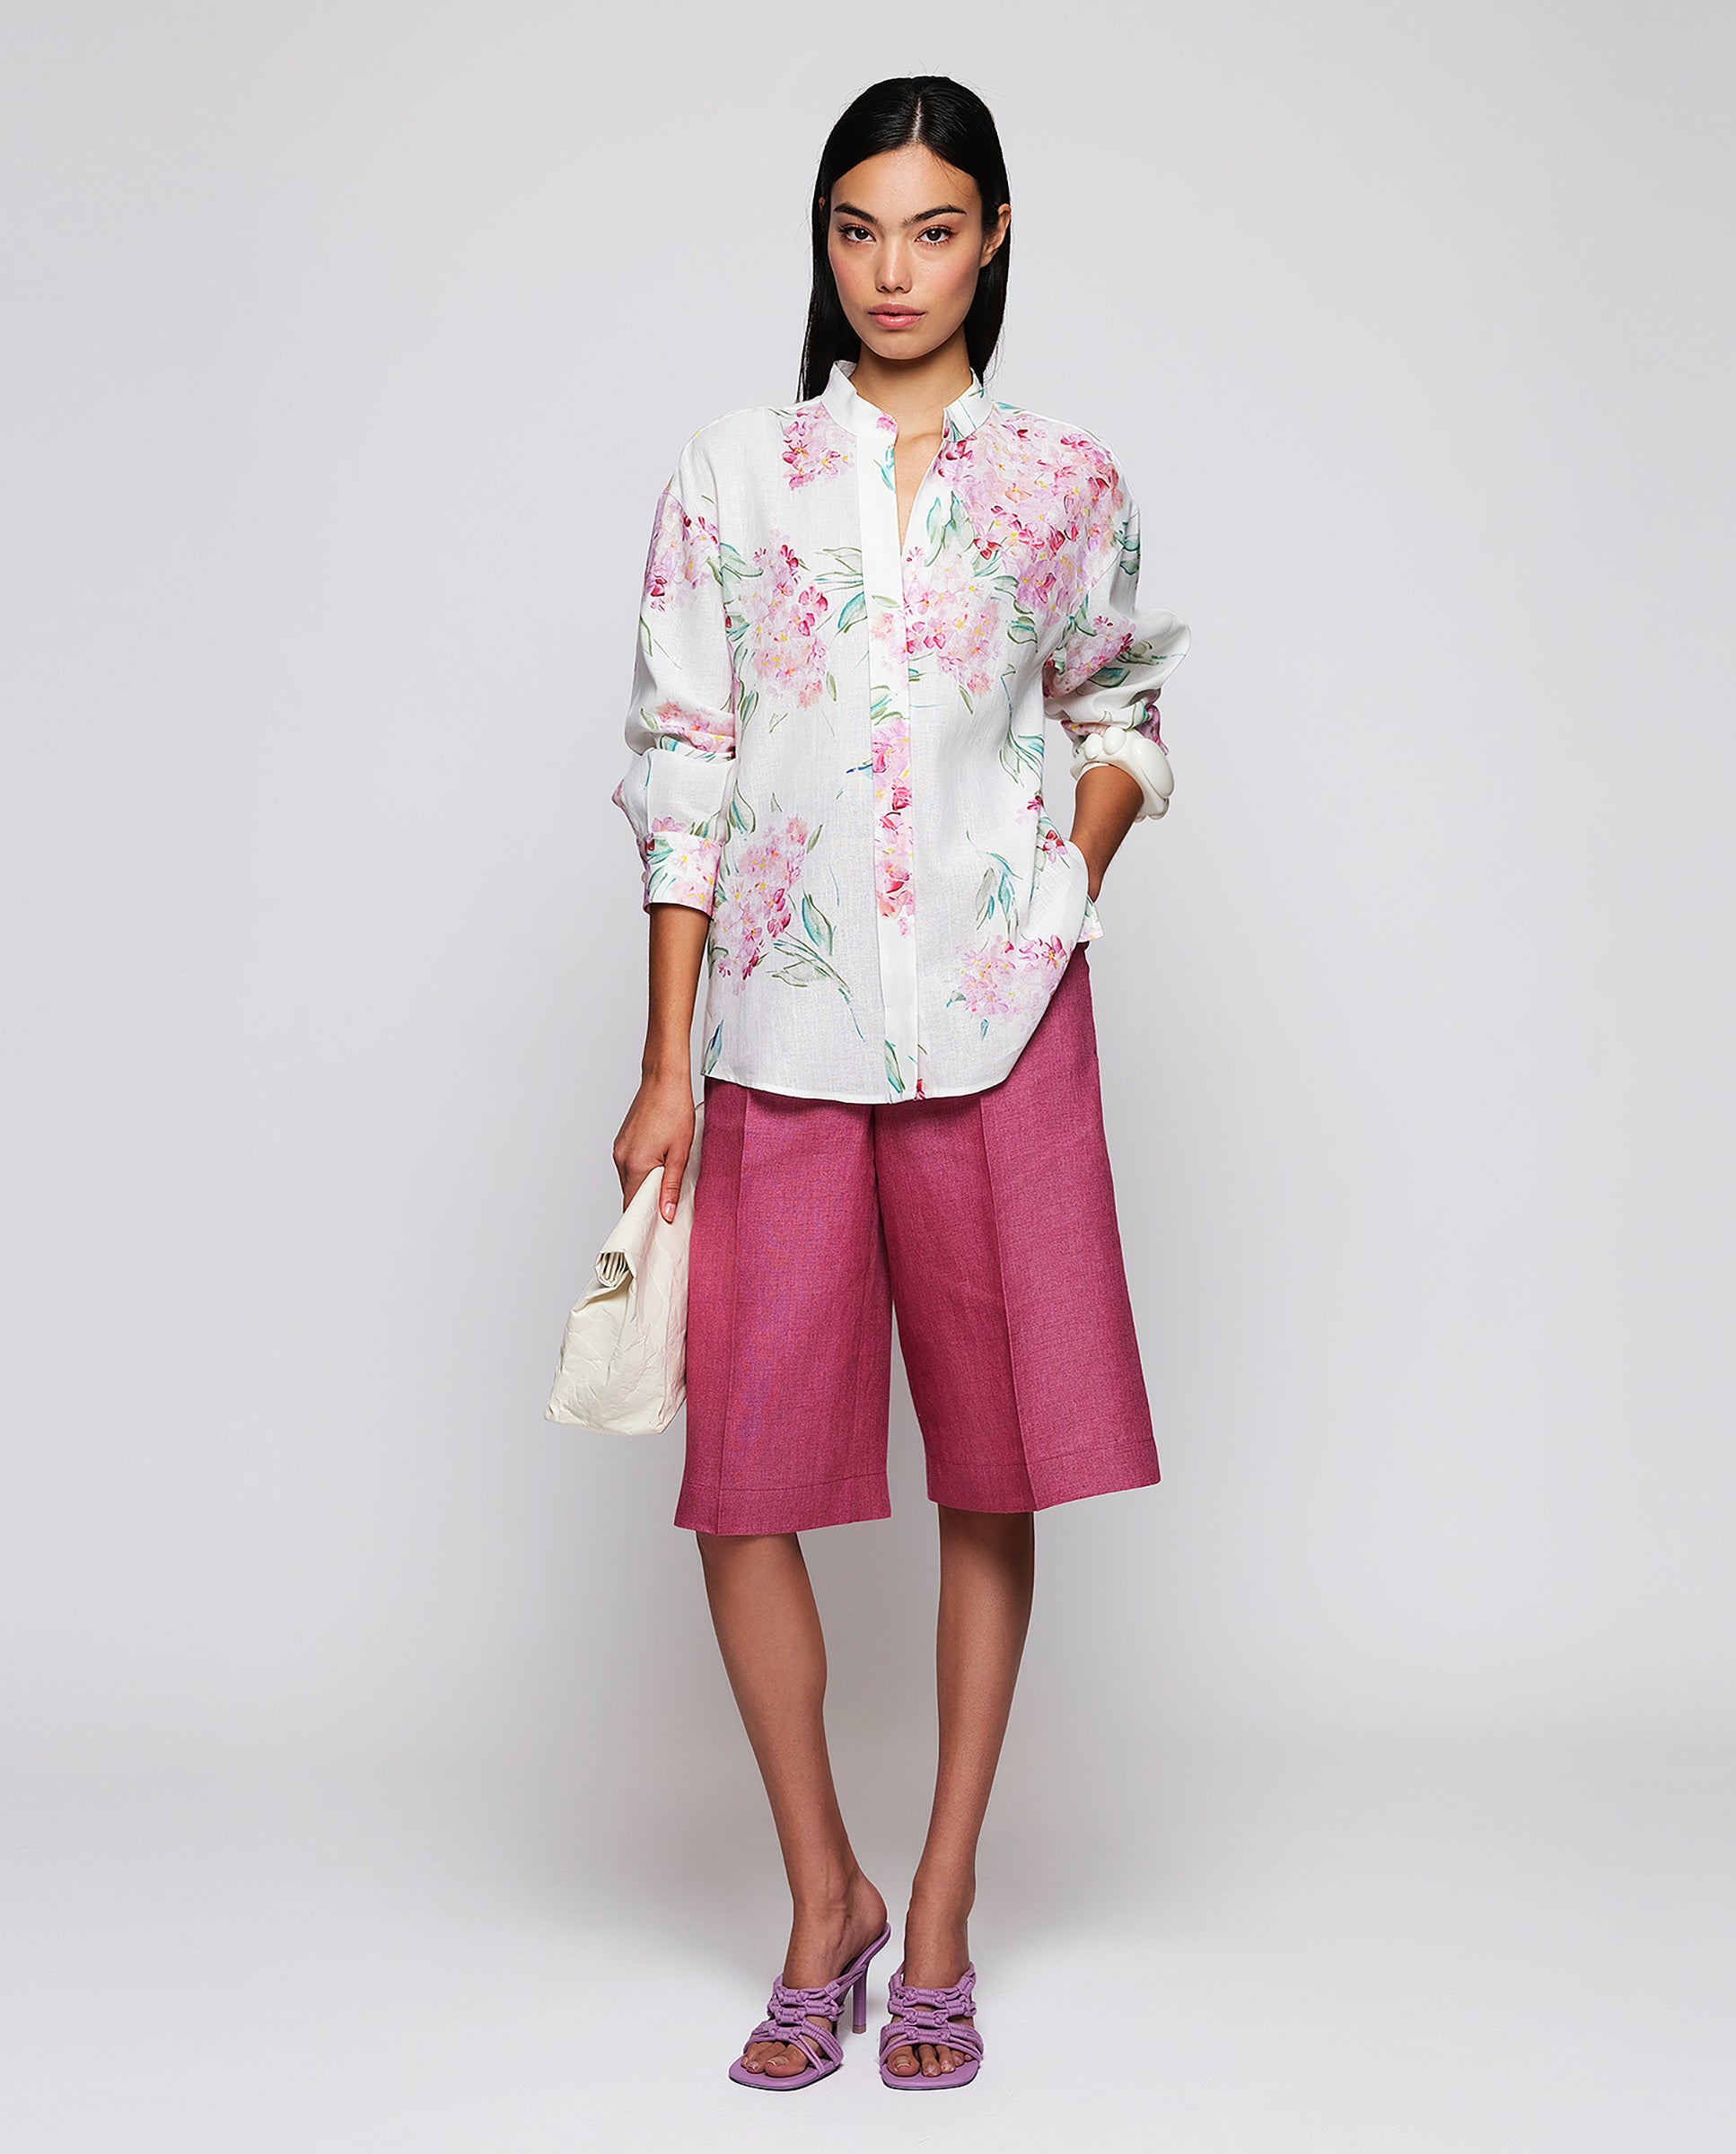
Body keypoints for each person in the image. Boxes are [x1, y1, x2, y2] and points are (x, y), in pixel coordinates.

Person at [609, 74, 1189, 2092]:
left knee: (991, 1463)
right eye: (858, 228)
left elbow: (1122, 705)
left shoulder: (1060, 480)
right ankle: (820, 1893)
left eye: (933, 229)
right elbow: (682, 765)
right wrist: (662, 1061)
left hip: (1000, 1030)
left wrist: (1066, 872)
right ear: (824, 239)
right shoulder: (734, 474)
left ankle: (936, 1904)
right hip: (774, 1039)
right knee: (744, 1483)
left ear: (993, 239)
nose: (892, 270)